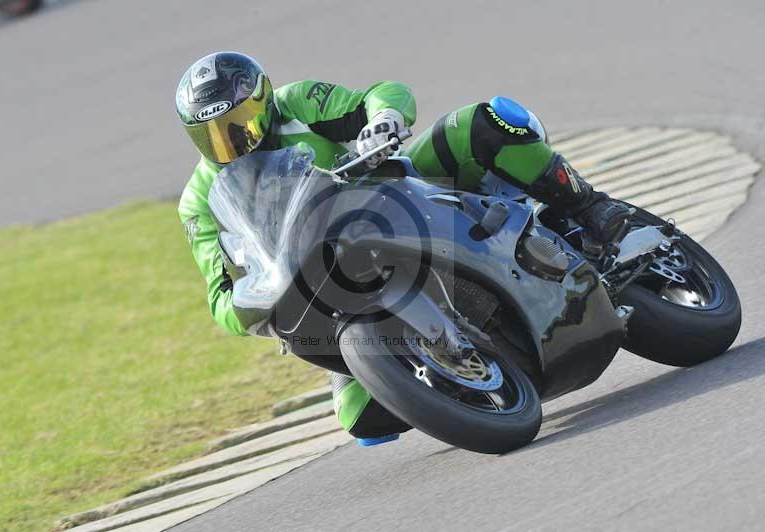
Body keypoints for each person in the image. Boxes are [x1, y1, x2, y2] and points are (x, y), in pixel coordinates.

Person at [176, 52, 630, 447]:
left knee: (484, 122)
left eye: (235, 124)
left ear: (261, 100)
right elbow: (219, 293)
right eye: (211, 135)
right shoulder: (198, 201)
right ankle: (460, 374)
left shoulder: (296, 102)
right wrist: (250, 299)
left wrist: (383, 120)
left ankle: (592, 210)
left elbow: (378, 95)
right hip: (325, 279)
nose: (229, 141)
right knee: (361, 417)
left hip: (391, 201)